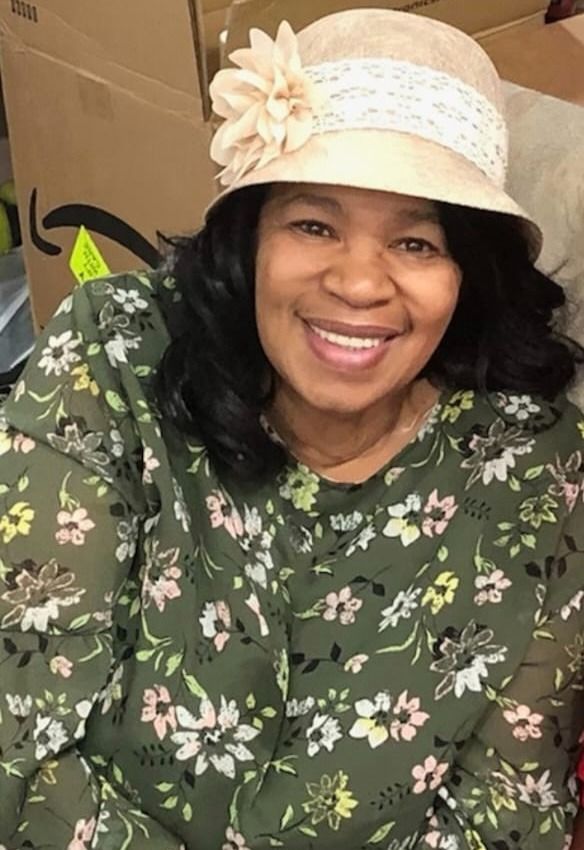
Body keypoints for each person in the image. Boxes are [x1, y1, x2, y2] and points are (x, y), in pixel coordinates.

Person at [0, 8, 582, 849]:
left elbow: (506, 813)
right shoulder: (114, 356)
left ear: (469, 273)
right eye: (315, 225)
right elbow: (20, 726)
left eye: (417, 243)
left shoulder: (536, 469)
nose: (359, 283)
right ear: (250, 240)